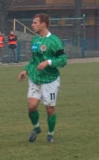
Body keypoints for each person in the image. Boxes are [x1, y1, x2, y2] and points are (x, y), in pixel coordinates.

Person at [18, 14, 67, 143]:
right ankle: (37, 128)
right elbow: (34, 60)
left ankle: (50, 134)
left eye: (35, 23)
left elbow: (63, 60)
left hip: (50, 80)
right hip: (35, 78)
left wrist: (48, 62)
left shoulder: (54, 41)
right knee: (32, 106)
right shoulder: (35, 40)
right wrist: (26, 70)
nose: (32, 25)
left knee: (50, 109)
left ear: (43, 24)